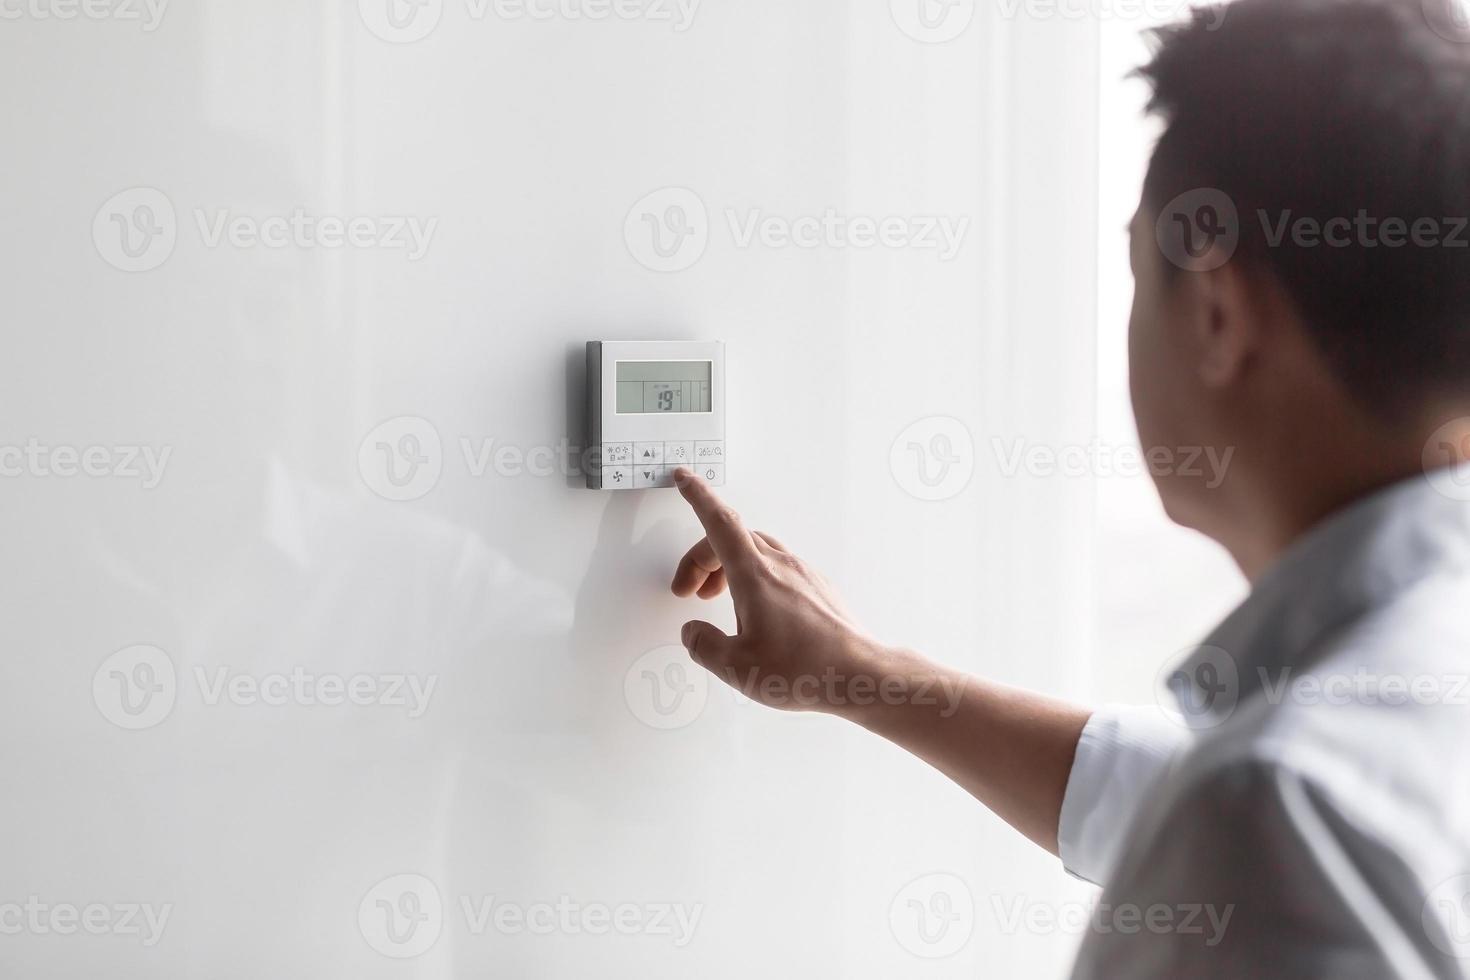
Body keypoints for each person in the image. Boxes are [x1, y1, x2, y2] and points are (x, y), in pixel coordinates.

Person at [667, 0, 1470, 975]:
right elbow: (1205, 789)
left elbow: (1258, 809)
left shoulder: (1276, 813)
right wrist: (866, 674)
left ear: (1217, 313)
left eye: (1137, 272)